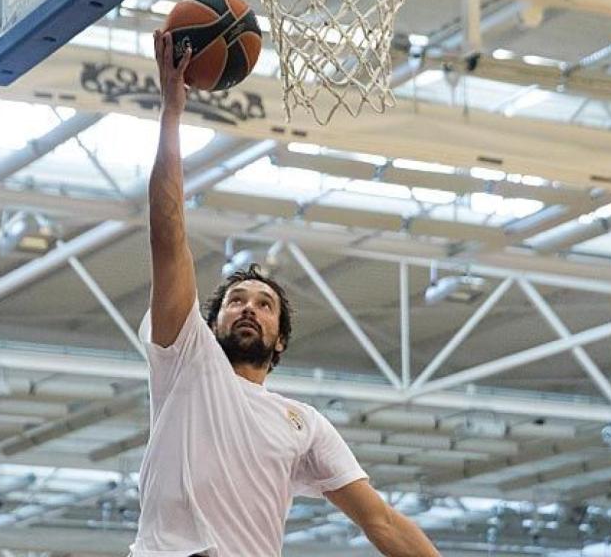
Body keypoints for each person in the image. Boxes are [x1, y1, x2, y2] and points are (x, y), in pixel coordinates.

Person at [128, 29, 442, 557]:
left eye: (264, 304)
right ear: (211, 325)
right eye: (236, 300)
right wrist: (172, 114)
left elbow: (381, 521)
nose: (249, 307)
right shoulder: (186, 356)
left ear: (280, 342)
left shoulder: (304, 424)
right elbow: (168, 233)